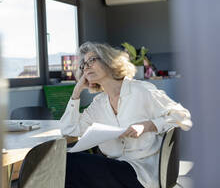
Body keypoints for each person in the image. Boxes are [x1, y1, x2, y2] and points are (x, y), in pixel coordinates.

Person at [60, 42, 192, 188]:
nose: (86, 67)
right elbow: (69, 130)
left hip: (142, 173)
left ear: (108, 61)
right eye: (83, 65)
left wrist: (148, 125)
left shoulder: (141, 91)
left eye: (92, 60)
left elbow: (182, 117)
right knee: (66, 165)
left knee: (70, 163)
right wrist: (76, 92)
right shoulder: (98, 104)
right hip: (114, 170)